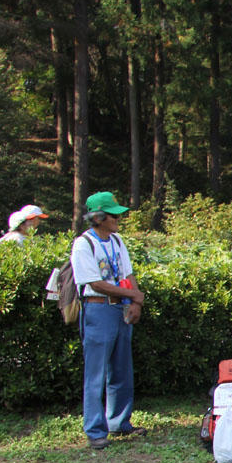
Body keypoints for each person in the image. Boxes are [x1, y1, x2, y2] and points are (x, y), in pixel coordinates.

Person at [70, 192, 146, 450]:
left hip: (120, 310)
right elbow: (95, 283)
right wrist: (133, 295)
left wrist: (134, 302)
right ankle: (95, 430)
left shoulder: (117, 241)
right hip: (97, 310)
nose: (118, 218)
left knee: (122, 369)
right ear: (98, 217)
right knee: (96, 374)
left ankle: (119, 422)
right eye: (113, 214)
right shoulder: (84, 244)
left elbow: (128, 273)